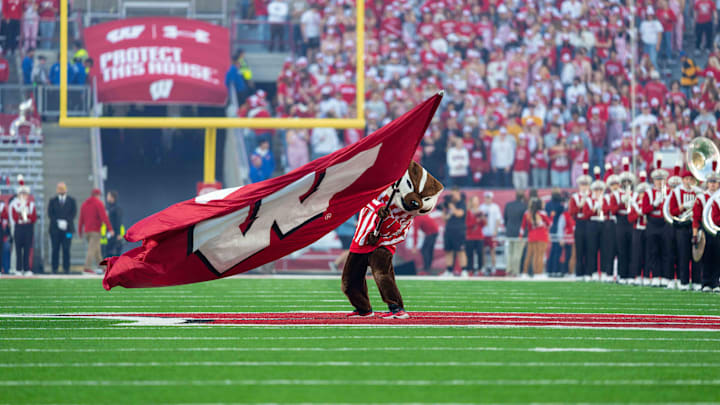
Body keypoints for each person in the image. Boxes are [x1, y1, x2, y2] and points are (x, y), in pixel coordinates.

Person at [641, 160, 671, 287]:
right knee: (652, 251)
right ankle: (654, 276)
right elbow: (644, 210)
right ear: (653, 180)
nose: (660, 182)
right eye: (658, 179)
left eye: (662, 179)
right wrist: (654, 205)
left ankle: (664, 277)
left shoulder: (669, 192)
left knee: (665, 250)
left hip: (664, 223)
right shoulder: (648, 192)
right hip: (652, 223)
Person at [668, 169, 697, 290]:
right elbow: (672, 211)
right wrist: (683, 207)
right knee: (683, 254)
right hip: (682, 226)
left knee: (696, 255)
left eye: (691, 179)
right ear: (682, 180)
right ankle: (683, 281)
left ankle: (697, 281)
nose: (688, 181)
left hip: (694, 225)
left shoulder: (698, 192)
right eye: (686, 179)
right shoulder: (676, 192)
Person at [693, 164, 720, 292]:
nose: (713, 184)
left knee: (717, 256)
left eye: (715, 182)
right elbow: (696, 217)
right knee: (706, 256)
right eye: (710, 182)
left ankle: (715, 282)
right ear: (707, 183)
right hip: (705, 230)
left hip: (717, 231)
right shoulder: (701, 197)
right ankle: (706, 282)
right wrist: (695, 233)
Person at [78, 188, 113, 273]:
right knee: (92, 250)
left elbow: (81, 219)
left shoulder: (84, 204)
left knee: (97, 250)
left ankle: (103, 268)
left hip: (87, 231)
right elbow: (104, 217)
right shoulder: (98, 203)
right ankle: (87, 267)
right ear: (98, 195)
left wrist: (80, 231)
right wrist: (110, 229)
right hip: (95, 231)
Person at [611, 158, 635, 284]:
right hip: (620, 221)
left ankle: (631, 276)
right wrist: (621, 202)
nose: (626, 183)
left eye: (628, 181)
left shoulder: (635, 193)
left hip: (631, 221)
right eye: (624, 181)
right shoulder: (616, 194)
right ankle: (621, 274)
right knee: (621, 249)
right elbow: (613, 210)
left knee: (632, 249)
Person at [569, 163, 592, 280]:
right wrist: (580, 206)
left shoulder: (592, 195)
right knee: (579, 249)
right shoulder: (575, 197)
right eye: (582, 185)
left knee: (589, 249)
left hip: (589, 224)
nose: (584, 187)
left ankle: (588, 273)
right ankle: (579, 273)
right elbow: (572, 212)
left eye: (586, 185)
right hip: (579, 224)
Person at [582, 167, 606, 281]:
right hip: (592, 224)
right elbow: (585, 214)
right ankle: (591, 272)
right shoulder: (588, 200)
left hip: (603, 224)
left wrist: (603, 208)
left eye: (600, 190)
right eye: (596, 190)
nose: (598, 192)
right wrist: (594, 209)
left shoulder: (605, 199)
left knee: (604, 249)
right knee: (591, 249)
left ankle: (601, 272)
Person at [47, 182, 76, 274]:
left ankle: (66, 268)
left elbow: (73, 213)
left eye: (63, 188)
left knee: (66, 249)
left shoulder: (71, 201)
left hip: (68, 230)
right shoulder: (52, 201)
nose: (61, 190)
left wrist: (66, 221)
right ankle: (54, 268)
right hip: (55, 230)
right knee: (55, 249)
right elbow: (50, 214)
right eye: (59, 188)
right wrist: (58, 222)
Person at [9, 181, 36, 276]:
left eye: (25, 194)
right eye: (21, 193)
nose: (23, 195)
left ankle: (27, 269)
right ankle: (18, 269)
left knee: (27, 249)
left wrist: (27, 217)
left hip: (28, 228)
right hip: (19, 228)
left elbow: (34, 217)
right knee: (18, 249)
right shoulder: (15, 204)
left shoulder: (31, 205)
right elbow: (14, 216)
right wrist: (20, 214)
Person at [520, 197, 551, 277]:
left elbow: (524, 226)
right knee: (539, 255)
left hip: (532, 236)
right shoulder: (542, 213)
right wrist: (552, 217)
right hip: (542, 236)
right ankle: (538, 273)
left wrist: (520, 235)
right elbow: (549, 224)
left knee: (530, 255)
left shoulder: (527, 213)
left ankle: (525, 272)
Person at [628, 171, 650, 285]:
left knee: (647, 253)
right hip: (637, 230)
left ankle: (646, 276)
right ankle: (635, 276)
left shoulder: (649, 203)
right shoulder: (635, 204)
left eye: (644, 193)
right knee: (636, 254)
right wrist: (638, 213)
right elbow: (630, 218)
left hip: (647, 230)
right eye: (641, 193)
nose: (643, 195)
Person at [441, 187, 467, 277]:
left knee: (460, 250)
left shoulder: (462, 203)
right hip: (449, 230)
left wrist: (452, 206)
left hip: (459, 230)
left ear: (458, 193)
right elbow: (444, 218)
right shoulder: (448, 205)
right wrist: (446, 209)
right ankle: (449, 270)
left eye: (454, 194)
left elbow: (459, 214)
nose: (453, 196)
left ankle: (464, 271)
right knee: (448, 250)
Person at [600, 166, 620, 281]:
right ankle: (609, 273)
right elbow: (605, 209)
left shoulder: (621, 194)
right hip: (610, 223)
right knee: (610, 249)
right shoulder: (607, 197)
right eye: (612, 185)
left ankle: (619, 273)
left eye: (616, 184)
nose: (614, 187)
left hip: (620, 223)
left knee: (621, 249)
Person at [503, 190, 527, 276]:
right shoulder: (524, 206)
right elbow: (525, 221)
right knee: (517, 253)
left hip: (509, 232)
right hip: (519, 233)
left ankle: (508, 270)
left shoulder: (508, 205)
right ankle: (515, 271)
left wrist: (508, 227)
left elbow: (505, 218)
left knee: (509, 252)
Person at [478, 191, 503, 274]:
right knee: (483, 251)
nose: (488, 199)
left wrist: (495, 230)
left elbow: (498, 219)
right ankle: (483, 267)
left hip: (492, 232)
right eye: (486, 197)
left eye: (489, 198)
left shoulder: (495, 207)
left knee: (493, 250)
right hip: (483, 232)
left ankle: (493, 267)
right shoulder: (481, 207)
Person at [545, 189, 565, 276]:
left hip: (550, 228)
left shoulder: (548, 205)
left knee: (552, 251)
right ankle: (556, 270)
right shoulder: (561, 206)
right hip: (559, 229)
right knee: (557, 251)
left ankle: (549, 270)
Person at [465, 195, 485, 276]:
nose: (477, 201)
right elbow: (467, 224)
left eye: (477, 200)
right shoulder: (468, 211)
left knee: (480, 253)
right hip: (470, 236)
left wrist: (482, 219)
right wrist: (475, 221)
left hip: (479, 236)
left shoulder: (480, 211)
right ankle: (470, 269)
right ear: (471, 201)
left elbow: (483, 224)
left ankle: (480, 269)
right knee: (470, 254)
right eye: (475, 200)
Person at [105, 191, 123, 257]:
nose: (107, 197)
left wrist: (118, 234)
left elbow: (118, 222)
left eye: (108, 196)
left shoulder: (117, 209)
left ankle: (114, 266)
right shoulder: (108, 208)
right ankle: (109, 266)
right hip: (109, 233)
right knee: (108, 251)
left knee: (115, 252)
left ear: (112, 198)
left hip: (115, 233)